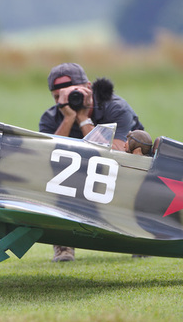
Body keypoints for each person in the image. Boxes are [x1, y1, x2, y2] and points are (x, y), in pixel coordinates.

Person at [39, 63, 145, 262]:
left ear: (89, 87)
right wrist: (69, 118)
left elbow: (115, 155)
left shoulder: (115, 108)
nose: (69, 100)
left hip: (126, 171)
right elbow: (47, 158)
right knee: (53, 176)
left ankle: (140, 238)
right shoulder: (51, 118)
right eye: (58, 97)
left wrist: (84, 121)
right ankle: (63, 245)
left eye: (73, 93)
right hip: (77, 175)